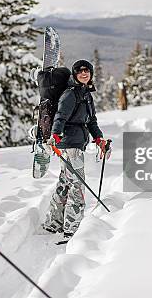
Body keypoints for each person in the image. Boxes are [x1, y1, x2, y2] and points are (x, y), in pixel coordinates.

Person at [41, 59, 106, 238]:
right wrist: (55, 135)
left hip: (74, 143)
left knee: (66, 182)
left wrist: (98, 138)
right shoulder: (71, 94)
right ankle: (72, 228)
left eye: (87, 71)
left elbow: (91, 121)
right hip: (70, 145)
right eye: (80, 71)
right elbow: (60, 116)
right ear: (75, 74)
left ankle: (53, 223)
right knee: (78, 186)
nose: (84, 73)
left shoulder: (85, 93)